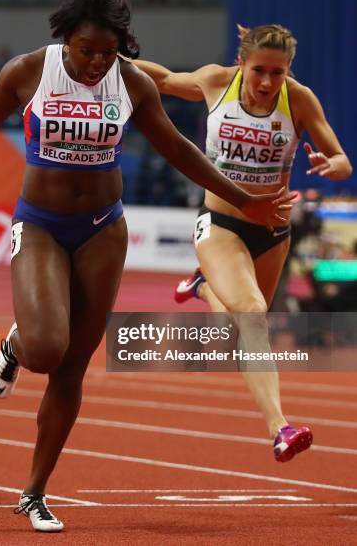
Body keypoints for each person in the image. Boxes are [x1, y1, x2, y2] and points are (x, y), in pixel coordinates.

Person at [0, 0, 295, 533]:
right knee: (44, 349)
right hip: (40, 224)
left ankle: (34, 491)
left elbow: (176, 148)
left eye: (108, 52)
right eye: (87, 51)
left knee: (73, 365)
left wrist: (245, 200)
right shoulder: (31, 69)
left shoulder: (131, 82)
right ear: (66, 40)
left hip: (105, 228)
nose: (97, 62)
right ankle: (16, 342)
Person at [134, 23, 352, 463]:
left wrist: (333, 165)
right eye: (260, 72)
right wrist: (107, 57)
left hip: (273, 232)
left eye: (279, 72)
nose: (269, 83)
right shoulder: (217, 81)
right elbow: (159, 80)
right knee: (251, 314)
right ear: (241, 64)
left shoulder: (300, 99)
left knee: (240, 329)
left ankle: (202, 287)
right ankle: (281, 428)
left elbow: (343, 160)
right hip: (221, 225)